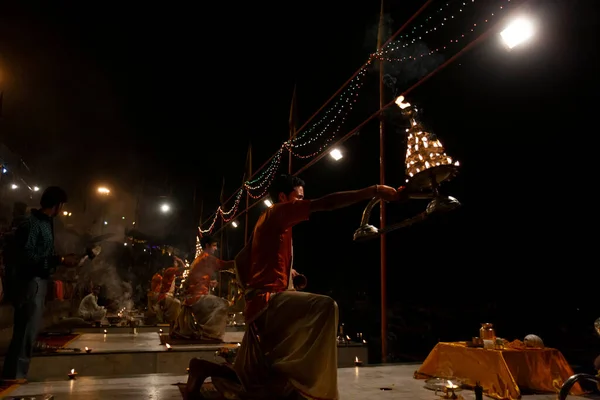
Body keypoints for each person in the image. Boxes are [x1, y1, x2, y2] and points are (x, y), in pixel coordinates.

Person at [185, 175, 406, 400]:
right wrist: (374, 190)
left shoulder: (269, 221)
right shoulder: (278, 213)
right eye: (298, 197)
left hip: (261, 301)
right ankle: (306, 385)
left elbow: (245, 258)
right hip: (267, 303)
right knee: (325, 306)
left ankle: (205, 368)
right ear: (283, 197)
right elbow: (327, 203)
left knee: (256, 374)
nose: (302, 201)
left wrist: (288, 274)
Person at [1, 187, 80, 384]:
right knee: (25, 330)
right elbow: (28, 256)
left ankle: (18, 372)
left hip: (39, 280)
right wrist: (59, 259)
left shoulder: (46, 223)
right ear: (58, 205)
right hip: (30, 282)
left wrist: (60, 260)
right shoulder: (32, 223)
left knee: (29, 330)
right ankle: (14, 375)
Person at [172, 236, 233, 342]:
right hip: (197, 298)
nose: (215, 248)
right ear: (207, 246)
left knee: (215, 304)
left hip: (192, 298)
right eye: (214, 245)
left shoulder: (199, 259)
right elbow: (225, 265)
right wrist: (241, 261)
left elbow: (195, 279)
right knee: (224, 304)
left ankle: (204, 332)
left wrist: (209, 283)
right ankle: (210, 334)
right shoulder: (206, 258)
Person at [157, 256, 186, 325]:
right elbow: (183, 268)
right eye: (176, 262)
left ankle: (176, 321)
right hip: (164, 296)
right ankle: (173, 321)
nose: (177, 264)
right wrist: (180, 260)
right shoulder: (169, 270)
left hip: (169, 295)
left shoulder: (171, 272)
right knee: (177, 303)